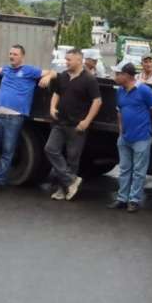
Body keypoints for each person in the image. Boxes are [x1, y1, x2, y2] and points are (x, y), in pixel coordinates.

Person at [0, 44, 55, 193]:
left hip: (15, 117)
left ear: (22, 56)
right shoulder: (7, 70)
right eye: (10, 54)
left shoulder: (29, 71)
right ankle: (4, 148)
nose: (12, 56)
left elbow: (53, 72)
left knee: (8, 151)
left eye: (15, 54)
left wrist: (48, 77)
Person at [45, 48, 102, 201]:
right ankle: (71, 181)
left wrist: (86, 121)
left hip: (76, 126)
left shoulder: (89, 79)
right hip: (59, 122)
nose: (66, 62)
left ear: (79, 60)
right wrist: (52, 107)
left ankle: (63, 190)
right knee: (50, 149)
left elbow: (97, 101)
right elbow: (56, 93)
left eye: (69, 59)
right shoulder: (63, 76)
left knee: (72, 158)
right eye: (66, 59)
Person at [107, 62, 152, 213]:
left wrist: (146, 127)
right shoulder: (120, 91)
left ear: (127, 75)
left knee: (138, 171)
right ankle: (122, 199)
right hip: (125, 137)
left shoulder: (144, 90)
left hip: (142, 137)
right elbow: (119, 111)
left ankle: (134, 200)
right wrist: (121, 130)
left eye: (118, 74)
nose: (115, 77)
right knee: (124, 169)